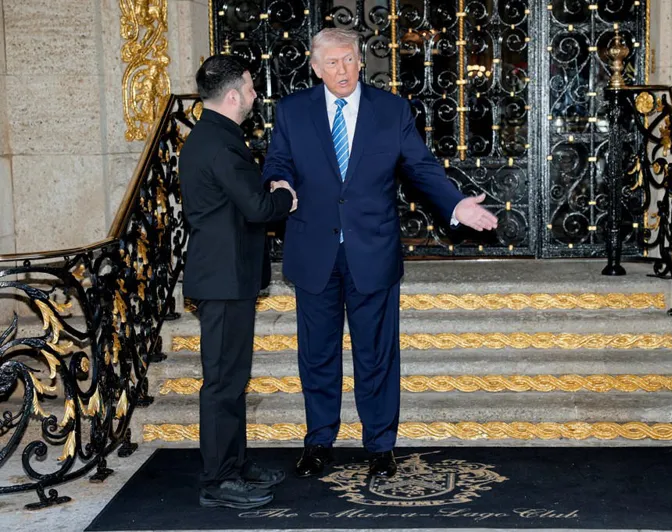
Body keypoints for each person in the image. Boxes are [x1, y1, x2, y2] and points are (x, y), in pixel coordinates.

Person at [261, 28, 498, 479]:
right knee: (317, 354)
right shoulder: (292, 111)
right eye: (332, 62)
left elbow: (421, 167)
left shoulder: (391, 110)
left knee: (377, 354)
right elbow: (278, 161)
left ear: (360, 61)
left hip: (372, 250)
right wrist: (279, 183)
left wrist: (456, 204)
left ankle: (381, 445)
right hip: (314, 250)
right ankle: (319, 441)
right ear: (316, 67)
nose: (343, 70)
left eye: (349, 60)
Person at [179, 55, 298, 509]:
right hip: (223, 280)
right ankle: (218, 479)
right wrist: (284, 196)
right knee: (223, 384)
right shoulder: (220, 144)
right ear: (232, 96)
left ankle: (234, 463)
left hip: (226, 277)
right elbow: (258, 208)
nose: (254, 95)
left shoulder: (213, 136)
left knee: (231, 379)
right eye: (250, 88)